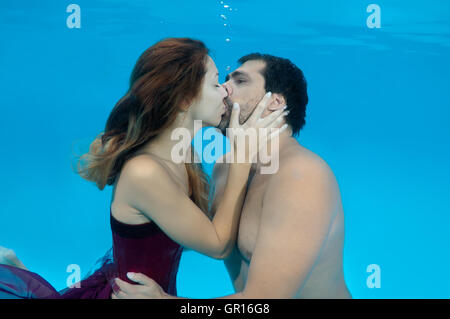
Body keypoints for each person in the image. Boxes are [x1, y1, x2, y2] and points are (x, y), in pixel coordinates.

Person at [0, 40, 287, 299]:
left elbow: (187, 232)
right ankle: (14, 270)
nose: (226, 90)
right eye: (215, 84)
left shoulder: (183, 153)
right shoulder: (145, 172)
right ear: (184, 99)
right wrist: (241, 156)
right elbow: (217, 246)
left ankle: (16, 268)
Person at [110, 53, 352, 299]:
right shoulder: (225, 168)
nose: (224, 90)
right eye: (222, 82)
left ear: (275, 102)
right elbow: (199, 236)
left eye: (240, 81)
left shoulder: (303, 177)